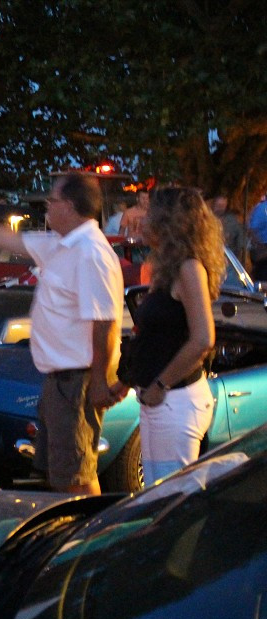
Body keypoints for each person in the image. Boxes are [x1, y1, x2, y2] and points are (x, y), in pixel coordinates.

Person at [0, 173, 123, 495]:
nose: (47, 207)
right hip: (59, 379)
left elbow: (105, 323)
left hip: (77, 381)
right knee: (61, 471)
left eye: (51, 201)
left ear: (69, 205)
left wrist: (98, 381)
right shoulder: (59, 246)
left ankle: (86, 537)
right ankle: (68, 530)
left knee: (77, 476)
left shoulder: (91, 253)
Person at [109, 187, 224, 485]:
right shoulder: (167, 269)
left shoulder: (189, 269)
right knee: (159, 494)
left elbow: (202, 338)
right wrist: (127, 380)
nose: (141, 223)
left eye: (149, 216)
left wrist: (161, 384)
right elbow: (152, 338)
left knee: (172, 498)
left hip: (176, 400)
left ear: (169, 223)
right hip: (160, 400)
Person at [210, 194, 248, 268]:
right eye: (218, 206)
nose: (220, 209)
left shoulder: (233, 222)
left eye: (222, 206)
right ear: (213, 205)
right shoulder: (205, 221)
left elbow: (242, 244)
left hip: (228, 264)